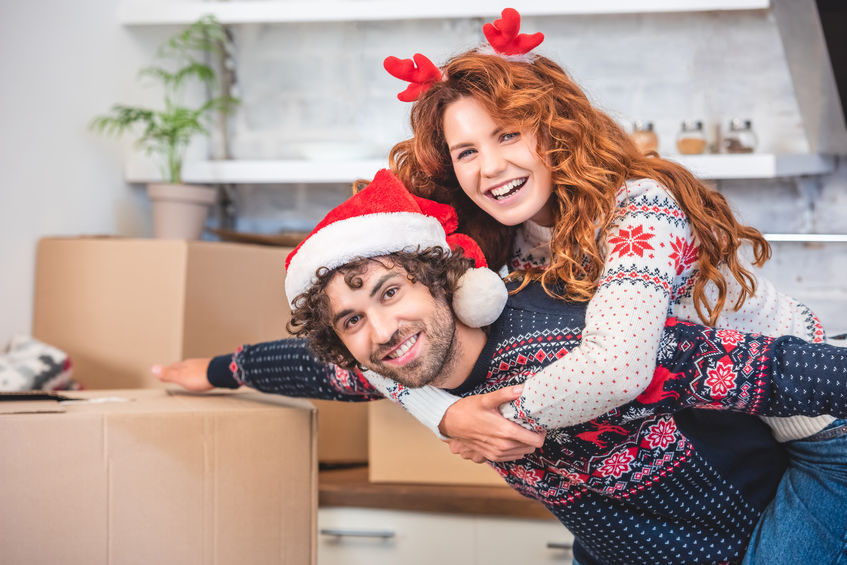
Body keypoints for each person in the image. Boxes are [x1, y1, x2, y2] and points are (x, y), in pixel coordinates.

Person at [159, 8, 847, 561]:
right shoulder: (503, 253)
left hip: (815, 427)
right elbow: (386, 351)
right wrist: (441, 411)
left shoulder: (640, 206)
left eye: (507, 135)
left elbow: (617, 365)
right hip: (723, 441)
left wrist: (493, 421)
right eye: (465, 151)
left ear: (552, 131)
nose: (489, 167)